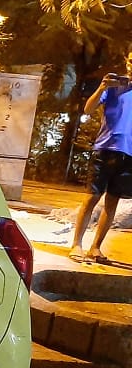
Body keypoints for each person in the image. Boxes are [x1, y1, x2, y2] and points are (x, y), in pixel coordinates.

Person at [68, 60, 132, 263]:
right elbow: (88, 109)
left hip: (129, 154)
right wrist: (102, 87)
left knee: (112, 202)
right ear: (127, 62)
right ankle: (76, 244)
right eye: (131, 61)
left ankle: (95, 247)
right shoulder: (114, 87)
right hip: (104, 150)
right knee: (91, 198)